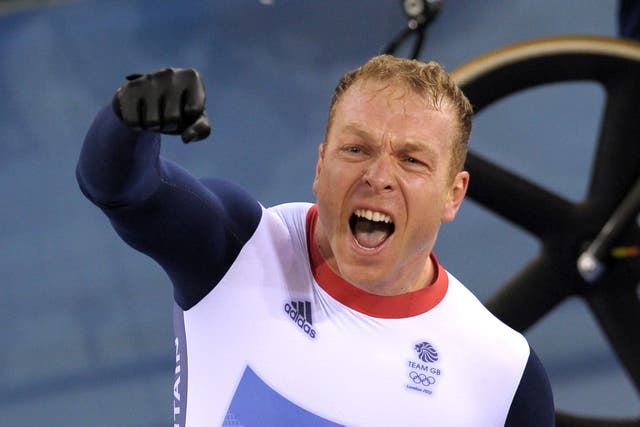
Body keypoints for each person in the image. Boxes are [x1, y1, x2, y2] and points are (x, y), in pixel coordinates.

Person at [77, 55, 554, 426]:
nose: (378, 176)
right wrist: (127, 120)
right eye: (356, 149)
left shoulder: (506, 375)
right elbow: (123, 191)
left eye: (412, 160)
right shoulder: (239, 249)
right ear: (320, 165)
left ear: (453, 195)